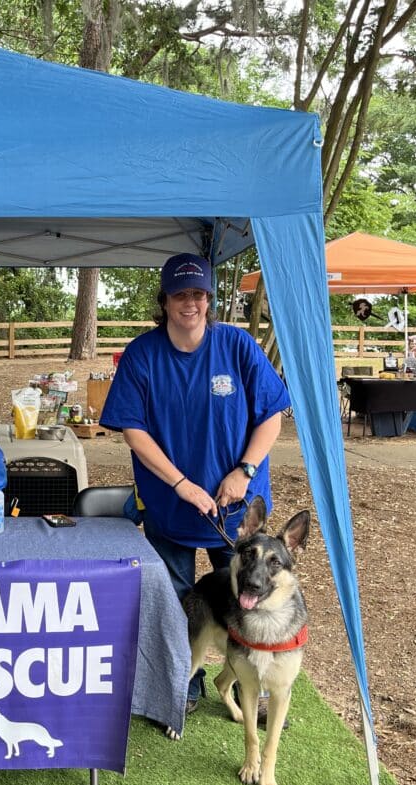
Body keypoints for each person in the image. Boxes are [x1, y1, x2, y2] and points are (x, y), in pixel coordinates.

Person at [99, 252, 291, 713]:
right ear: (164, 301)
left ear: (210, 299)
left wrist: (244, 471)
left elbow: (272, 416)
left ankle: (253, 684)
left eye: (199, 294)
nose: (190, 303)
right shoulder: (143, 354)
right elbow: (133, 430)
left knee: (250, 592)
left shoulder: (237, 345)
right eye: (180, 294)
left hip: (237, 509)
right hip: (171, 504)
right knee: (176, 598)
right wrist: (181, 484)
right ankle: (183, 681)